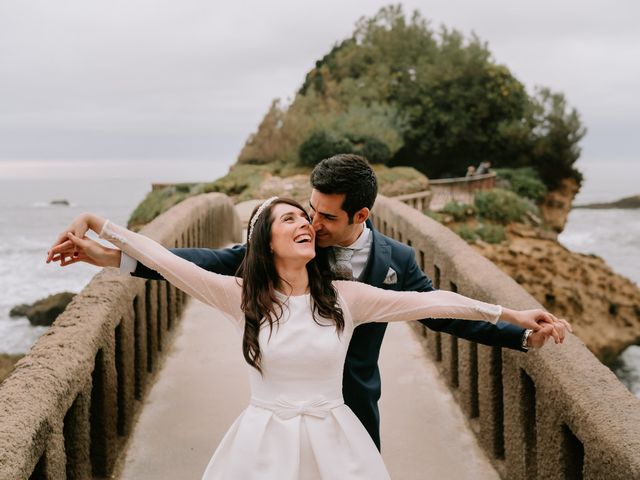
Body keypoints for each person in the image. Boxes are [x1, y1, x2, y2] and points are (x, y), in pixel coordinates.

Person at [47, 154, 566, 450]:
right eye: (304, 212)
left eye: (324, 218)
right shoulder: (270, 265)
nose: (311, 225)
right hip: (275, 414)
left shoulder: (389, 266)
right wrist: (109, 251)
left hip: (352, 406)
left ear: (361, 215)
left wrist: (516, 326)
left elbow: (438, 309)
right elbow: (193, 264)